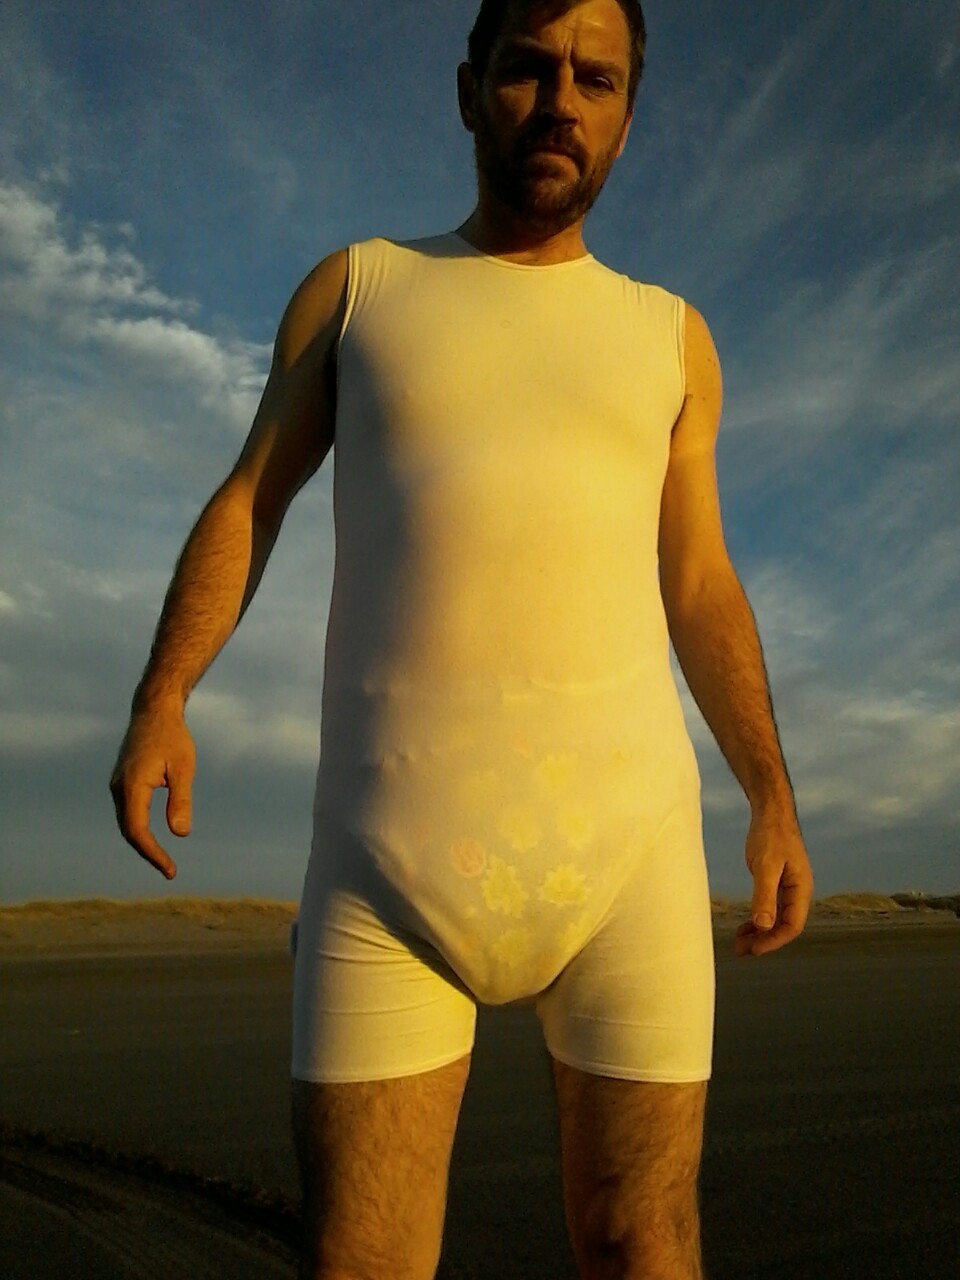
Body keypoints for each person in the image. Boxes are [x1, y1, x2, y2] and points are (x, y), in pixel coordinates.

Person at [110, 0, 814, 1276]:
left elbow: (701, 581)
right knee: (363, 1259)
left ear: (627, 118)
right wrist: (165, 691)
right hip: (387, 860)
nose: (561, 102)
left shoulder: (672, 336)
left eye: (596, 80)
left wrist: (771, 791)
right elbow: (251, 496)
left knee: (643, 1242)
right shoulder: (360, 288)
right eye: (529, 69)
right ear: (468, 88)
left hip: (631, 855)